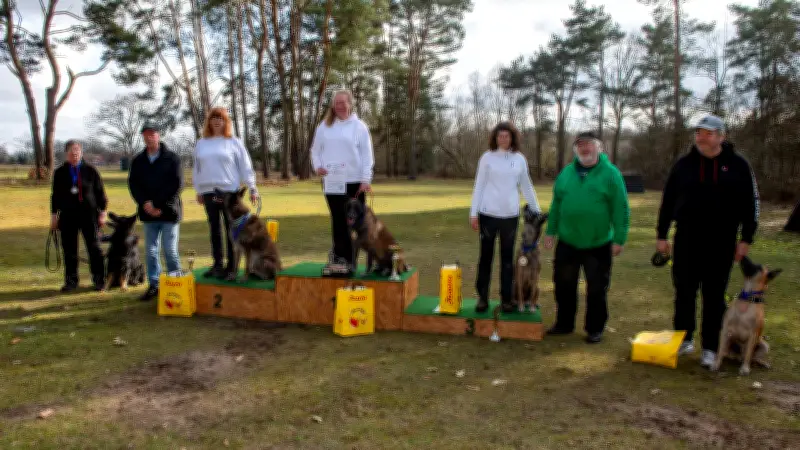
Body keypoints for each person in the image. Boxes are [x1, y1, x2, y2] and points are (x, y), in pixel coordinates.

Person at [656, 115, 759, 368]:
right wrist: (661, 234)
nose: (702, 137)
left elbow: (750, 204)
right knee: (684, 291)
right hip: (687, 238)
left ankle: (711, 347)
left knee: (714, 295)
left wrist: (746, 238)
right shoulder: (683, 165)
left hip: (721, 240)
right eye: (699, 133)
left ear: (721, 136)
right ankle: (683, 338)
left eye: (708, 133)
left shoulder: (738, 165)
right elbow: (668, 201)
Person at [543, 132, 630, 344]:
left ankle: (595, 328)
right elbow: (556, 205)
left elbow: (621, 208)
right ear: (576, 150)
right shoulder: (566, 173)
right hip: (568, 241)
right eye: (580, 145)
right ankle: (564, 323)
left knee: (597, 288)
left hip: (598, 243)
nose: (584, 149)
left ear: (599, 148)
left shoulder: (611, 174)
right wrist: (550, 232)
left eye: (589, 145)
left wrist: (619, 238)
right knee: (563, 285)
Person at [469, 122, 541, 313]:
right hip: (487, 215)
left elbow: (527, 186)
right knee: (486, 258)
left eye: (507, 136)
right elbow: (479, 185)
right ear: (495, 138)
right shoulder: (486, 158)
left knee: (508, 260)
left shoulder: (519, 160)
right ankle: (482, 298)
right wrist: (473, 213)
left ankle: (507, 299)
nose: (503, 139)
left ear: (512, 138)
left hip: (510, 217)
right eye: (500, 136)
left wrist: (537, 210)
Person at [310, 89, 375, 276]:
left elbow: (366, 155)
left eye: (343, 102)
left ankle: (355, 260)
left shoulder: (359, 126)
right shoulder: (324, 126)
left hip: (355, 182)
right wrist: (318, 166)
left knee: (356, 224)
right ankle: (341, 259)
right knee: (338, 221)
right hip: (332, 182)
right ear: (333, 105)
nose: (339, 106)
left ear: (350, 104)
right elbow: (314, 151)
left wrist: (366, 179)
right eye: (336, 103)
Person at [192, 107, 259, 279]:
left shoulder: (234, 142)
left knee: (232, 230)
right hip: (208, 191)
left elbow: (245, 165)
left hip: (229, 191)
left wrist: (252, 187)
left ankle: (232, 266)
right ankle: (217, 264)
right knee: (214, 229)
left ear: (225, 121)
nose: (216, 121)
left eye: (220, 118)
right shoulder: (202, 143)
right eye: (213, 118)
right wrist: (198, 189)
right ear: (209, 121)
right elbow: (197, 169)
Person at [128, 123, 183, 301]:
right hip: (148, 213)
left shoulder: (172, 158)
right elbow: (133, 185)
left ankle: (177, 284)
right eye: (145, 134)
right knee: (151, 252)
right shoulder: (138, 161)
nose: (149, 137)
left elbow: (177, 184)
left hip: (169, 212)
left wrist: (158, 204)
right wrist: (145, 203)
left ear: (158, 135)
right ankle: (155, 285)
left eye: (152, 134)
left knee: (169, 250)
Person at [50, 140, 108, 292]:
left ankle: (99, 280)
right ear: (66, 153)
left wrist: (103, 212)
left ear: (81, 152)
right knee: (69, 249)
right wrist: (53, 216)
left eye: (77, 150)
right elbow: (55, 196)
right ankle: (71, 281)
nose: (74, 153)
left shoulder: (91, 171)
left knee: (94, 247)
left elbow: (100, 192)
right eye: (71, 151)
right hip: (68, 216)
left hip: (89, 215)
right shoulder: (60, 173)